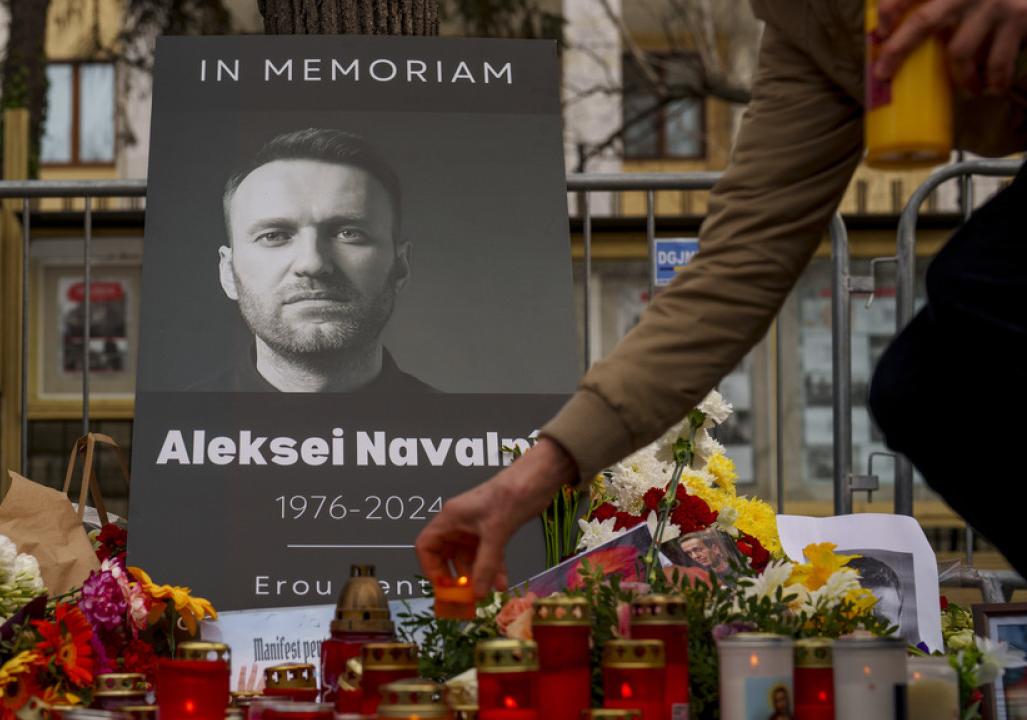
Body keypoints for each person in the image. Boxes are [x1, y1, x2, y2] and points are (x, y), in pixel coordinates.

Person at [416, 0, 1027, 596]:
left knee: (974, 287)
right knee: (925, 389)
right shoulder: (808, 29)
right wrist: (528, 481)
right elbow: (736, 267)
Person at [192, 128, 436, 393]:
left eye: (348, 234)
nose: (312, 264)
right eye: (273, 236)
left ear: (400, 267)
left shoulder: (455, 418)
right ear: (229, 272)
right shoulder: (178, 416)